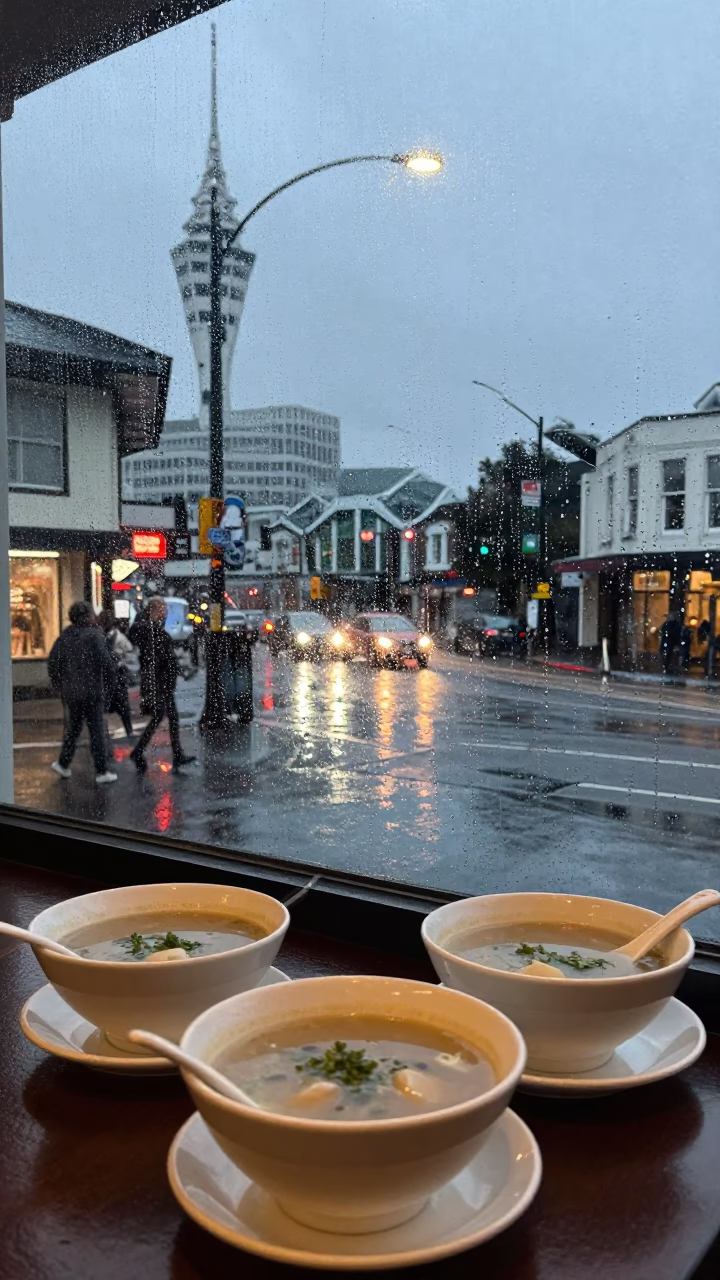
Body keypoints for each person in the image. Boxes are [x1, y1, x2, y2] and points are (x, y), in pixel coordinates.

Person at [47, 600, 118, 784]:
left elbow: (53, 662)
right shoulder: (94, 635)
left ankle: (63, 764)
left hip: (71, 692)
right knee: (96, 730)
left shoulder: (65, 636)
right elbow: (107, 663)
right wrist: (110, 685)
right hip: (92, 691)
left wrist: (59, 685)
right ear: (87, 616)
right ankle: (102, 771)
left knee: (74, 728)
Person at [129, 597, 196, 773]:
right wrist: (173, 665)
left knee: (170, 717)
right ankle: (139, 752)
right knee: (161, 716)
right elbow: (157, 658)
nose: (165, 612)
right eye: (163, 608)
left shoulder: (154, 630)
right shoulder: (150, 630)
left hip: (163, 680)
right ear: (154, 609)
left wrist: (179, 668)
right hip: (158, 681)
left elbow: (163, 656)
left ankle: (177, 754)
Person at [98, 609, 134, 738]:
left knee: (108, 706)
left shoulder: (101, 636)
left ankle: (105, 733)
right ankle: (128, 730)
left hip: (109, 676)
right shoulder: (117, 636)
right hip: (113, 675)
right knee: (121, 706)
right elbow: (129, 651)